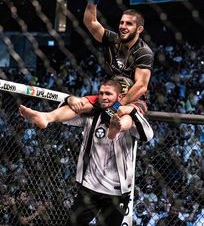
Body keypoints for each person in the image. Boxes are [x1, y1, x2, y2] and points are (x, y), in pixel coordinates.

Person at [19, 79, 154, 226]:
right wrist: (69, 98)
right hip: (90, 187)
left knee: (125, 119)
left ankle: (118, 127)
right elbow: (67, 115)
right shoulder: (92, 115)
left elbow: (148, 135)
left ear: (119, 97)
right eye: (101, 93)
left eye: (108, 94)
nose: (104, 97)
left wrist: (130, 112)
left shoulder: (130, 115)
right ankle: (45, 116)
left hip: (117, 192)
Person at [29, 0, 154, 130]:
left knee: (126, 114)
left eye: (129, 24)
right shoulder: (113, 40)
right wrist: (93, 0)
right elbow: (91, 22)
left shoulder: (144, 52)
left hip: (133, 99)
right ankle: (46, 117)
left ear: (139, 29)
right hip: (111, 94)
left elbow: (141, 86)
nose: (123, 27)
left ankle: (117, 126)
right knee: (79, 103)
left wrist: (118, 106)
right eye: (122, 23)